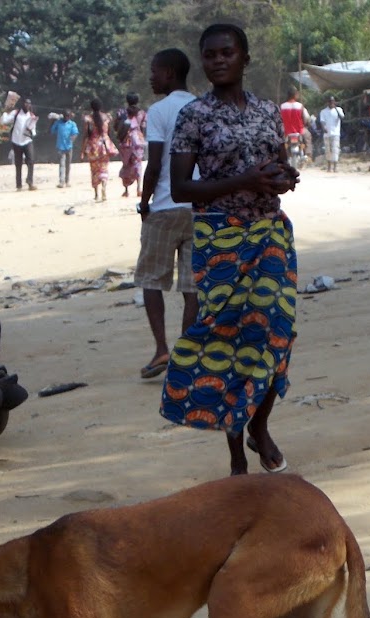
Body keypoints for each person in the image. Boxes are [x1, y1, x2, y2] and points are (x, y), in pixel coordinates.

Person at [163, 23, 300, 476]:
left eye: (227, 52)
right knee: (229, 339)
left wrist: (285, 177)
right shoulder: (194, 116)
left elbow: (275, 163)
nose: (218, 60)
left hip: (269, 232)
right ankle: (236, 451)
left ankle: (259, 425)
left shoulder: (265, 110)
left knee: (275, 330)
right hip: (220, 237)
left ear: (244, 57)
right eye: (210, 55)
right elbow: (183, 188)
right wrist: (246, 181)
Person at [136, 48, 200, 379]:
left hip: (164, 205)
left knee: (152, 279)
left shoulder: (159, 110)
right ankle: (186, 353)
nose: (151, 77)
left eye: (155, 71)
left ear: (169, 73)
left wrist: (144, 202)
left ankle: (162, 349)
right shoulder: (202, 107)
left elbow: (155, 163)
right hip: (198, 205)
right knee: (192, 287)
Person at [0, 97, 38, 190]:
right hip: (16, 141)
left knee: (31, 161)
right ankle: (19, 185)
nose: (27, 105)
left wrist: (30, 131)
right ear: (22, 104)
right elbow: (3, 121)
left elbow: (34, 131)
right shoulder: (16, 113)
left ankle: (30, 182)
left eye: (29, 103)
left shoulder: (32, 116)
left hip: (27, 140)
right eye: (25, 103)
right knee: (18, 163)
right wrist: (5, 112)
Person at [82, 98, 115, 202]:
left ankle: (96, 194)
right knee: (104, 168)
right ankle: (104, 188)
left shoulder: (88, 119)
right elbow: (108, 132)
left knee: (94, 170)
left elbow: (86, 135)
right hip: (105, 145)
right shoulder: (106, 118)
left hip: (93, 146)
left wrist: (82, 150)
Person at [116, 93, 147, 197]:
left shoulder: (121, 113)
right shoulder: (142, 113)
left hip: (126, 142)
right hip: (138, 141)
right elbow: (143, 128)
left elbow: (116, 127)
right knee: (137, 164)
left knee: (126, 165)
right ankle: (138, 189)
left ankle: (126, 190)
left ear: (127, 100)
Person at [280, 88, 312, 160]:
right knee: (308, 136)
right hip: (299, 130)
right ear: (295, 95)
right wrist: (308, 123)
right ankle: (308, 155)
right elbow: (307, 118)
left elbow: (278, 119)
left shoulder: (282, 106)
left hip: (286, 131)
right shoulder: (300, 106)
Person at [49, 110, 79, 187]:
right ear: (64, 116)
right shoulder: (58, 123)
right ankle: (61, 181)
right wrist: (52, 121)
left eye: (68, 116)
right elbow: (52, 130)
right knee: (62, 164)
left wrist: (72, 139)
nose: (67, 118)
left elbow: (75, 133)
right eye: (66, 116)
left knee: (68, 165)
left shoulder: (72, 124)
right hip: (60, 146)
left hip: (69, 147)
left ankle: (67, 181)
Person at [318, 96, 344, 171]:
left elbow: (342, 118)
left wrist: (335, 108)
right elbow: (322, 121)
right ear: (327, 102)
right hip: (327, 134)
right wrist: (324, 128)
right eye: (330, 102)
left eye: (333, 101)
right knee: (328, 150)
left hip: (336, 133)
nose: (331, 103)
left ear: (335, 102)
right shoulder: (323, 111)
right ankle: (329, 167)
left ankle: (335, 167)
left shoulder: (339, 110)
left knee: (335, 149)